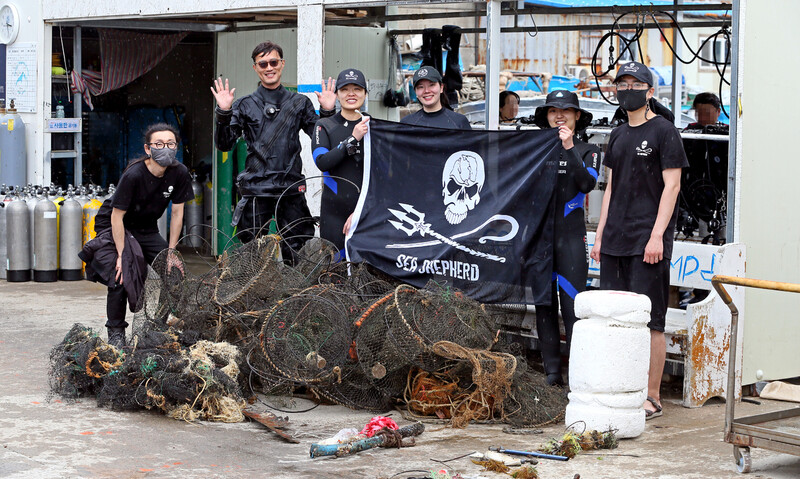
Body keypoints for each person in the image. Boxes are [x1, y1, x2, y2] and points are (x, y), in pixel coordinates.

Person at [589, 61, 688, 419]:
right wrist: (599, 236)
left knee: (651, 320)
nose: (626, 89)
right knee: (616, 318)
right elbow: (611, 187)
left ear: (649, 91)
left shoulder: (664, 131)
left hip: (649, 241)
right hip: (615, 239)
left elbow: (672, 186)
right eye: (622, 83)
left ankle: (652, 395)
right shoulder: (616, 135)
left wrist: (657, 236)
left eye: (634, 83)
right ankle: (619, 388)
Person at [211, 41, 336, 263]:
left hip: (290, 189)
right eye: (263, 63)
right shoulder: (245, 104)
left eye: (273, 62)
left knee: (296, 249)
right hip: (255, 189)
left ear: (282, 64)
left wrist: (327, 112)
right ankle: (256, 297)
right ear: (255, 68)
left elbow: (320, 137)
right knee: (252, 253)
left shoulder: (299, 102)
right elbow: (224, 144)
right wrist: (223, 112)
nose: (269, 67)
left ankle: (293, 296)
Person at [79, 123, 194, 348]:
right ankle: (116, 332)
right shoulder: (134, 174)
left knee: (174, 275)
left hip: (147, 229)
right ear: (148, 149)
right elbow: (116, 217)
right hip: (116, 226)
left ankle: (157, 327)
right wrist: (121, 254)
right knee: (123, 275)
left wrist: (171, 251)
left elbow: (178, 213)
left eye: (171, 144)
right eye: (159, 144)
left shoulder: (179, 172)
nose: (165, 148)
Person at [532, 90, 600, 386]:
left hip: (572, 241)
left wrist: (569, 145)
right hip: (540, 242)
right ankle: (551, 375)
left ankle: (577, 379)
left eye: (566, 110)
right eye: (552, 111)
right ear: (546, 117)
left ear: (576, 116)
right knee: (544, 308)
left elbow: (586, 183)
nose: (559, 115)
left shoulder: (589, 149)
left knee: (572, 310)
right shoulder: (534, 149)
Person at [312, 69, 370, 254]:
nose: (351, 94)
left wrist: (362, 210)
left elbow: (385, 173)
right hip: (334, 213)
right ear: (337, 95)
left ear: (365, 94)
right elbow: (322, 161)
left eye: (357, 89)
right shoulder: (324, 126)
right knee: (335, 272)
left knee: (367, 275)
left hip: (366, 211)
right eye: (345, 89)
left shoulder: (374, 126)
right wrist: (352, 140)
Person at [400, 66, 471, 130]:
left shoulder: (459, 122)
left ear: (441, 88)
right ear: (415, 92)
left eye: (431, 85)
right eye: (420, 87)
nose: (426, 91)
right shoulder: (407, 124)